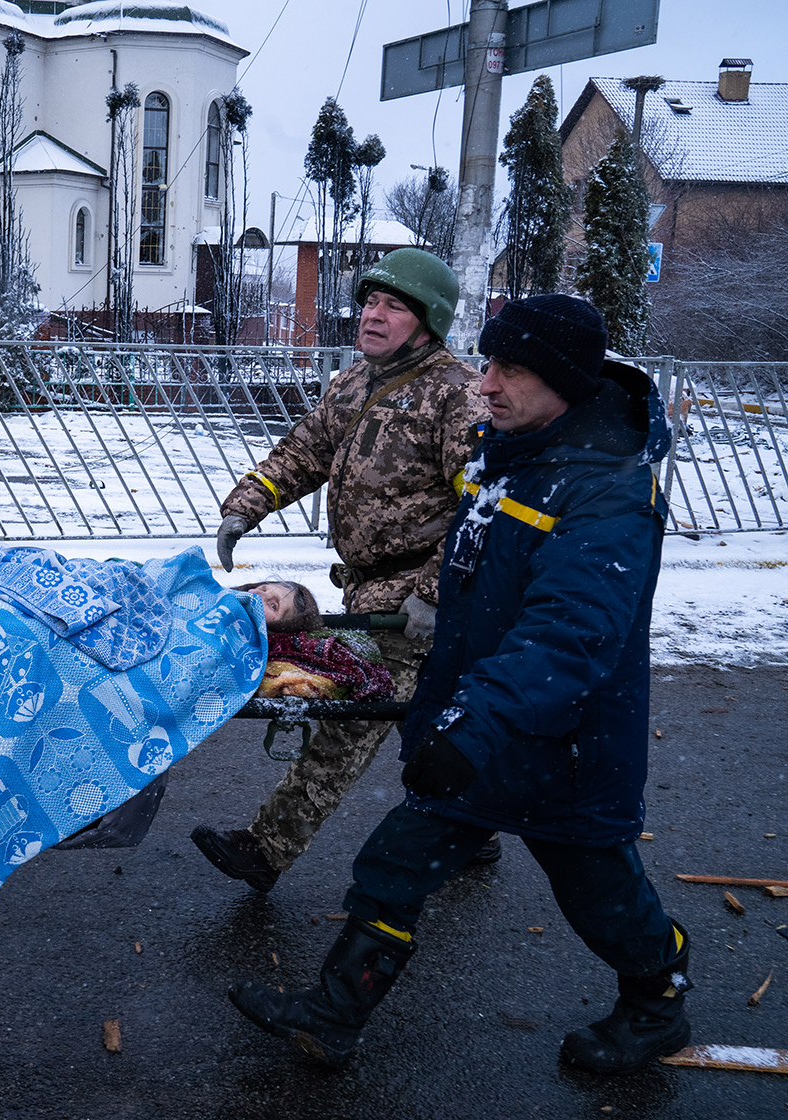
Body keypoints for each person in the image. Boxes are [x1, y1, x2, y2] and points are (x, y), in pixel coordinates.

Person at [227, 294, 690, 1076]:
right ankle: (333, 1017)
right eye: (490, 361)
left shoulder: (607, 498)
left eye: (511, 368)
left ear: (565, 381)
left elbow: (569, 637)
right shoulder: (508, 454)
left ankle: (658, 996)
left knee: (599, 896)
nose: (487, 382)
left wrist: (471, 722)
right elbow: (480, 588)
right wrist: (437, 661)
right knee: (390, 865)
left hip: (563, 743)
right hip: (478, 725)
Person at [193, 248, 491, 892]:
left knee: (353, 713)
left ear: (428, 320)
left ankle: (266, 849)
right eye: (369, 302)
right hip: (364, 584)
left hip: (415, 593)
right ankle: (473, 821)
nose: (373, 316)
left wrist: (434, 593)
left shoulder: (457, 396)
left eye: (393, 306)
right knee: (434, 713)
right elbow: (303, 453)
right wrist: (244, 507)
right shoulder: (352, 384)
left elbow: (482, 506)